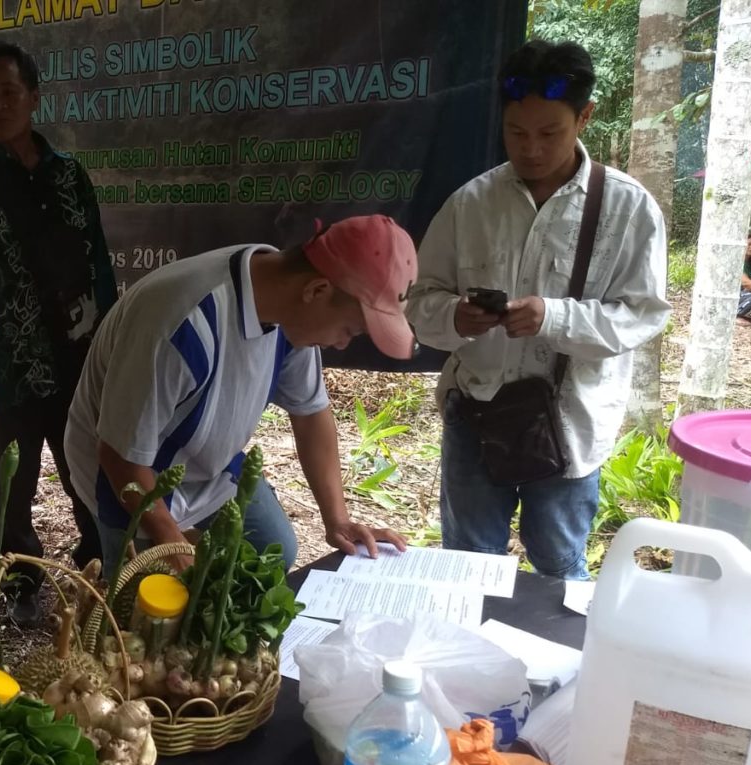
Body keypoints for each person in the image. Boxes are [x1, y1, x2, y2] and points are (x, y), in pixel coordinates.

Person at [408, 40, 670, 581]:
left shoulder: (627, 207)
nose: (530, 149)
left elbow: (642, 314)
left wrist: (555, 317)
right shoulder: (470, 203)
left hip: (570, 419)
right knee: (466, 563)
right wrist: (455, 316)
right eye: (516, 132)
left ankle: (555, 667)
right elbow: (419, 300)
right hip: (475, 412)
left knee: (559, 567)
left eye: (549, 133)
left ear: (585, 117)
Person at [64, 216, 413, 573]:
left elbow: (311, 413)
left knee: (273, 549)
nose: (341, 342)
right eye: (350, 330)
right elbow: (119, 456)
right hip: (127, 472)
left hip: (206, 462)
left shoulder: (290, 304)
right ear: (317, 290)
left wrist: (338, 520)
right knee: (145, 606)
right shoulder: (183, 324)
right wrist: (172, 541)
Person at [0, 41, 115, 625]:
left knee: (87, 468)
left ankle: (98, 562)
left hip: (79, 359)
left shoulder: (69, 177)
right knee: (13, 483)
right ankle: (24, 582)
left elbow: (100, 268)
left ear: (33, 97)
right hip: (7, 369)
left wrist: (110, 347)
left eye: (8, 92)